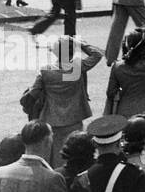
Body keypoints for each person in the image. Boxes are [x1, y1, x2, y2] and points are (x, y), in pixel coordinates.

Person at [29, 35, 104, 165]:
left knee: (55, 154)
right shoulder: (77, 66)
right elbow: (97, 54)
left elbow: (33, 93)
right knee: (76, 152)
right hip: (75, 116)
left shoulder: (46, 71)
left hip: (52, 118)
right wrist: (80, 44)